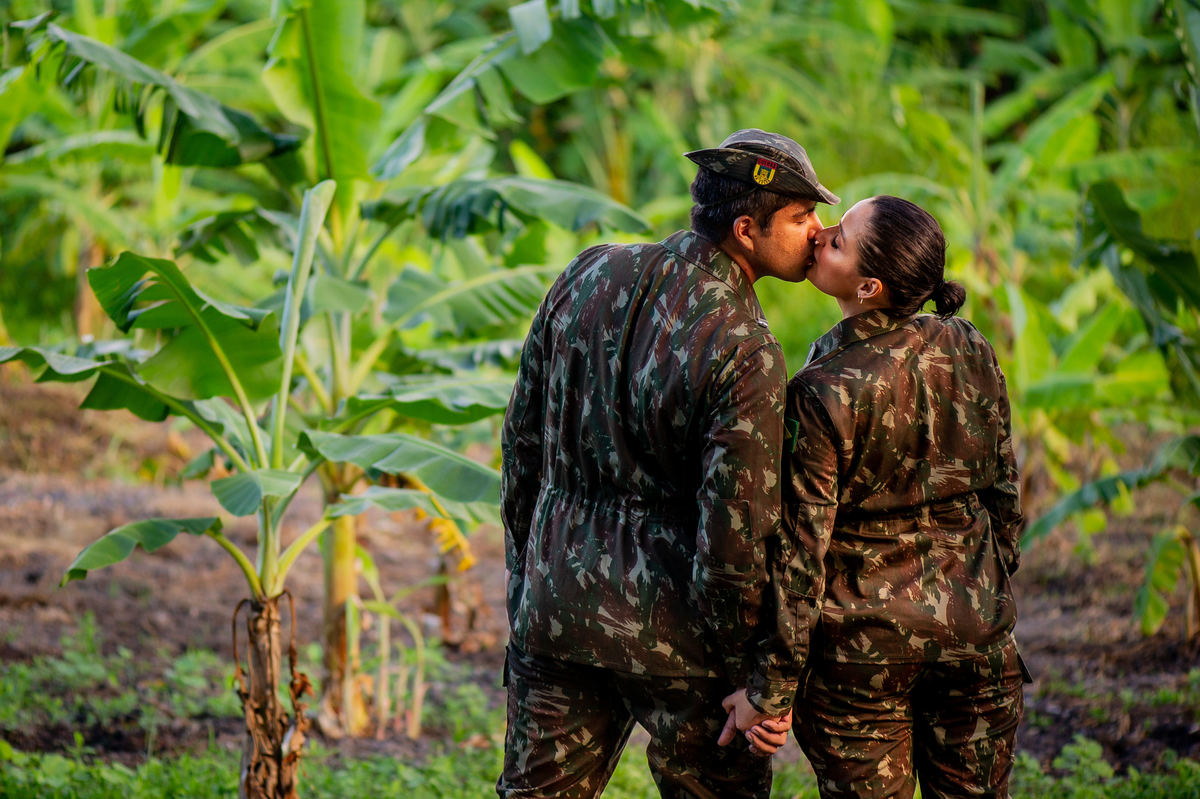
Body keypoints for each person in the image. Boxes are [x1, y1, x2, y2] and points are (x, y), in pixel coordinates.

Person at [497, 129, 839, 799]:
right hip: (681, 636)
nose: (819, 233)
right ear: (747, 229)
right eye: (802, 218)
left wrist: (527, 573)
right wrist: (754, 669)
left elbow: (521, 446)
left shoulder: (587, 271)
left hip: (557, 604)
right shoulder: (746, 348)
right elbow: (736, 535)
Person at [770, 195, 1027, 798]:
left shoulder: (821, 390)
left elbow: (801, 553)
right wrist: (984, 590)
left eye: (838, 240)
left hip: (861, 659)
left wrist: (772, 686)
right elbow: (1004, 495)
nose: (819, 235)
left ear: (869, 288)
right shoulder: (970, 349)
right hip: (976, 639)